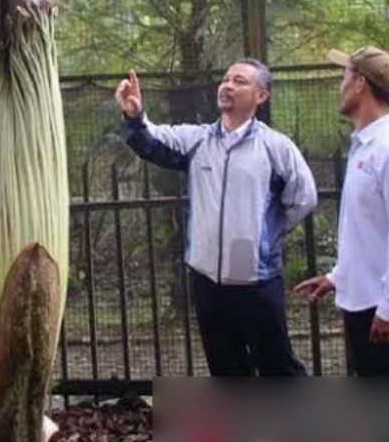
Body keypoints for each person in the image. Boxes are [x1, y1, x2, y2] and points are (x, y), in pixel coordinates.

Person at [116, 59, 317, 376]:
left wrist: (267, 234)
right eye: (225, 79)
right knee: (225, 370)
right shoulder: (198, 140)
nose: (228, 85)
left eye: (240, 81)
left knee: (277, 367)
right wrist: (134, 114)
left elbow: (303, 198)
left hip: (256, 279)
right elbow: (152, 139)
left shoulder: (276, 147)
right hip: (207, 278)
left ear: (261, 96)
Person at [294, 46, 389, 376]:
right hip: (362, 304)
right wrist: (338, 276)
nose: (341, 84)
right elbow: (367, 230)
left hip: (387, 313)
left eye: (344, 76)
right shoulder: (365, 147)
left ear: (360, 83)